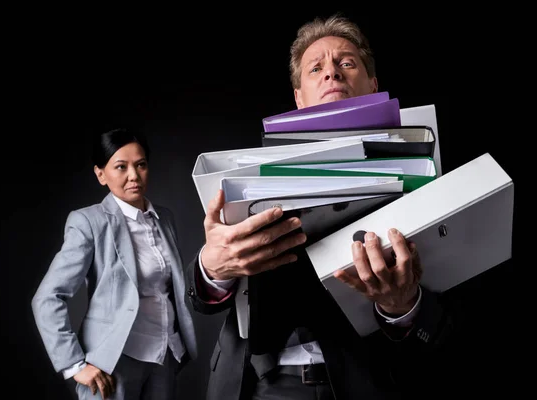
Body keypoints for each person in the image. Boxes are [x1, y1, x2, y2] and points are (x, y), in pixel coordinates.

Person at [185, 13, 463, 400]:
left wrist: (402, 308)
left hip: (366, 381)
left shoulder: (420, 167)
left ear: (373, 85)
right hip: (255, 382)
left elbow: (449, 299)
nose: (332, 73)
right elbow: (200, 300)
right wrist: (213, 267)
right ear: (299, 98)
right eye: (315, 68)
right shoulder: (248, 178)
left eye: (346, 63)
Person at [32, 127, 197, 400]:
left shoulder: (164, 218)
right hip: (114, 363)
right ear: (100, 174)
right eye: (121, 167)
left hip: (165, 356)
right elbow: (47, 298)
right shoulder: (89, 222)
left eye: (141, 164)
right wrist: (73, 364)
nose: (134, 175)